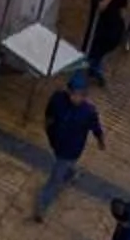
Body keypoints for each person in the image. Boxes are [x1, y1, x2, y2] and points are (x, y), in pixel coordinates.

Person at [34, 64, 105, 217]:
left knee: (56, 176)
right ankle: (71, 173)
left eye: (80, 94)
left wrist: (100, 140)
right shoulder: (58, 99)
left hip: (71, 149)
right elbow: (50, 113)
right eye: (74, 93)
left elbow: (96, 127)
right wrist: (47, 126)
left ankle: (42, 204)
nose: (76, 97)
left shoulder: (88, 112)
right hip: (56, 141)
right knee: (65, 166)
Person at [84, 0, 130, 86]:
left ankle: (95, 62)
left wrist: (122, 20)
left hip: (114, 20)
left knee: (113, 40)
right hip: (99, 21)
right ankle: (90, 64)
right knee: (94, 44)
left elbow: (123, 4)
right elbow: (100, 7)